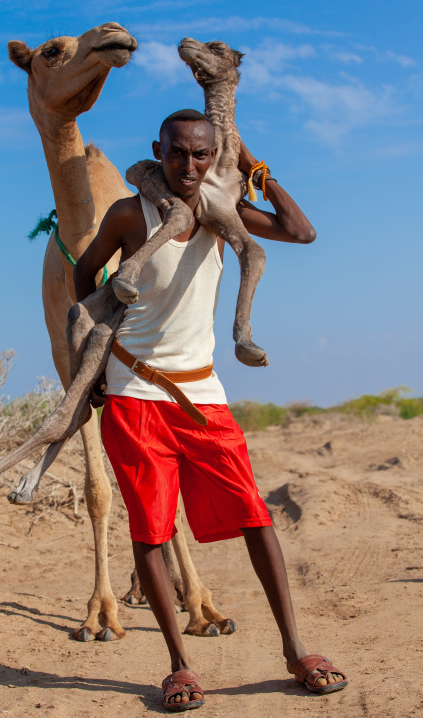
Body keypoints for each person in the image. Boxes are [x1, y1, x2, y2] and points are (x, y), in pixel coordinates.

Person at [73, 109, 347, 711]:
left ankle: (296, 650)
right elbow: (85, 271)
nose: (189, 166)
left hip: (203, 398)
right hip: (136, 396)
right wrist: (90, 362)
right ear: (158, 150)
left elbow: (300, 232)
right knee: (150, 530)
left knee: (256, 516)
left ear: (213, 156)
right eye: (177, 154)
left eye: (202, 155)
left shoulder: (221, 213)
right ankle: (179, 666)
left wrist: (254, 167)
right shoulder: (129, 214)